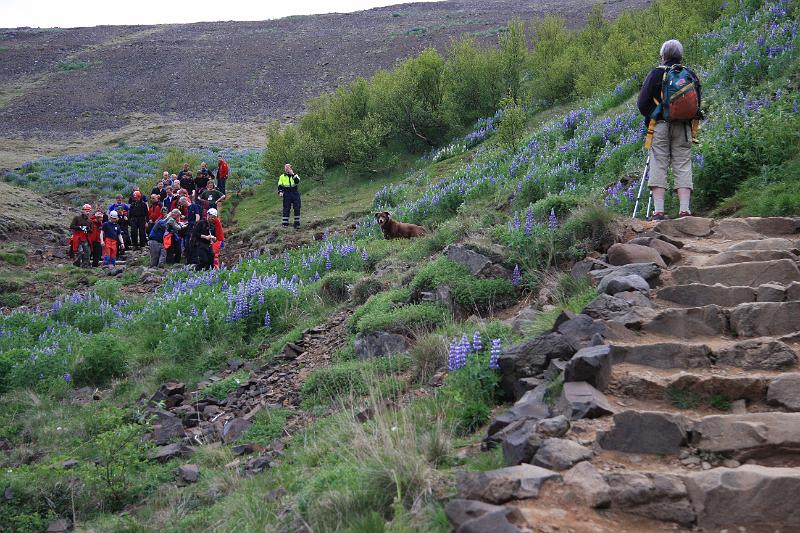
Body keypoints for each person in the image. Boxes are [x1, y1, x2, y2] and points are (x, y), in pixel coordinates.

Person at [637, 39, 702, 220]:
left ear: (663, 55)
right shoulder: (689, 74)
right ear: (680, 56)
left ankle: (658, 211)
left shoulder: (656, 73)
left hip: (659, 126)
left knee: (659, 162)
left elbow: (642, 104)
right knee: (683, 163)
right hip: (684, 126)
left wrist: (657, 113)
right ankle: (684, 210)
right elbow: (697, 102)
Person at [277, 163, 301, 229]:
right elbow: (280, 185)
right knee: (286, 208)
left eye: (288, 168)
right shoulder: (282, 176)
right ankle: (285, 224)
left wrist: (292, 174)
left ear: (291, 168)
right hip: (287, 194)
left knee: (297, 207)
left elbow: (297, 182)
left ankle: (297, 223)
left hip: (295, 193)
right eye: (286, 168)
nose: (287, 169)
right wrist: (280, 192)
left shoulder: (295, 175)